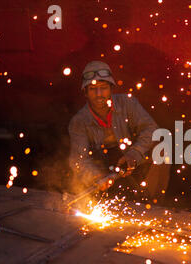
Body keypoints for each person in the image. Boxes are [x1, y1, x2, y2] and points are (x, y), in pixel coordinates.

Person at [68, 60, 170, 202]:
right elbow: (78, 159)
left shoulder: (128, 103)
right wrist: (95, 176)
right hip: (103, 165)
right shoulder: (79, 121)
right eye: (92, 89)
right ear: (85, 92)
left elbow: (151, 129)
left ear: (111, 88)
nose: (99, 94)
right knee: (83, 179)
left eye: (103, 88)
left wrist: (134, 153)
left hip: (130, 157)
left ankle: (152, 201)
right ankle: (104, 199)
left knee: (162, 150)